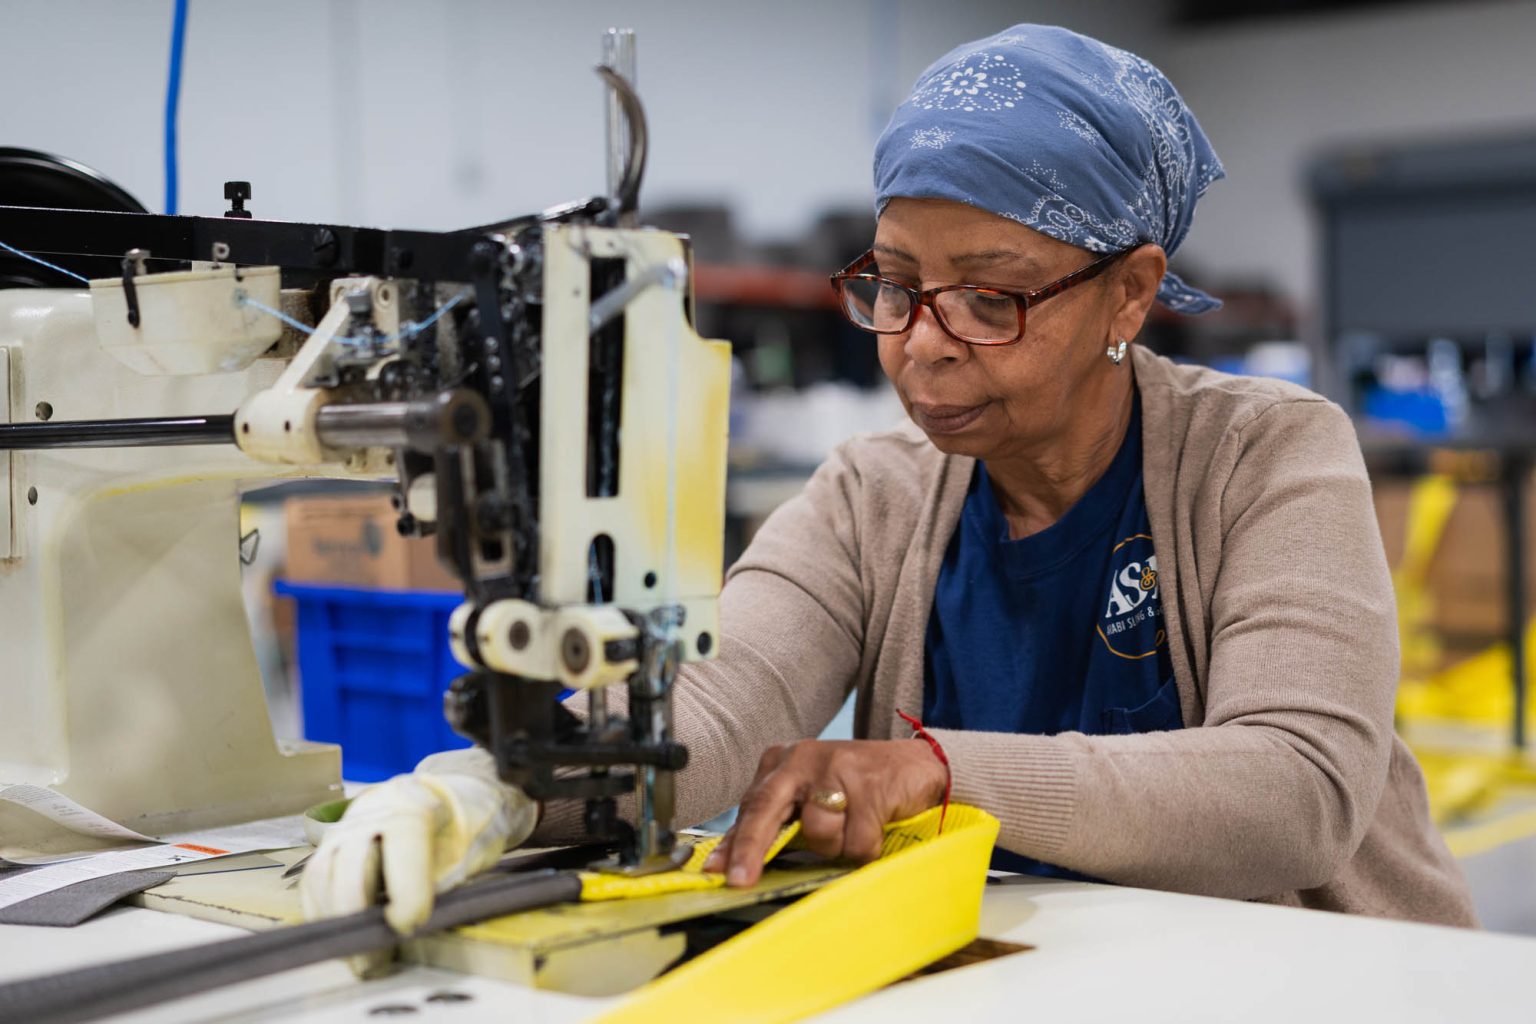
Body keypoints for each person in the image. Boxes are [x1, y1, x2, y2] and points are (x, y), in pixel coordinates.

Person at [301, 24, 1477, 948]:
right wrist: (487, 792)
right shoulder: (875, 494)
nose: (922, 341)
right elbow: (713, 714)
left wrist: (937, 766)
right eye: (895, 283)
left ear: (1130, 293)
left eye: (991, 297)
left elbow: (1294, 788)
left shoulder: (1268, 456)